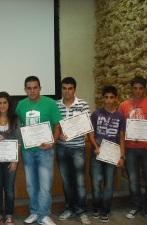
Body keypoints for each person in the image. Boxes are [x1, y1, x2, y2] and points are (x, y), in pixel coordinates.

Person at [16, 76, 62, 225]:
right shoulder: (20, 105)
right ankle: (34, 212)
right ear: (25, 89)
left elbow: (57, 125)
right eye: (29, 88)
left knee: (44, 185)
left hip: (45, 151)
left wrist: (52, 143)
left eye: (35, 87)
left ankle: (44, 215)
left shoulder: (50, 103)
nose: (32, 91)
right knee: (31, 184)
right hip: (27, 151)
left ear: (40, 88)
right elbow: (15, 125)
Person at [118, 76, 147, 222]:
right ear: (131, 89)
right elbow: (121, 128)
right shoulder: (124, 105)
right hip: (130, 148)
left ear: (144, 89)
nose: (138, 91)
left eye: (140, 88)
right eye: (135, 88)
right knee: (134, 180)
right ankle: (136, 207)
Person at [55, 77, 91, 225]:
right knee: (66, 181)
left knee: (80, 182)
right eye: (64, 88)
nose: (67, 91)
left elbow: (85, 126)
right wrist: (58, 137)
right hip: (62, 148)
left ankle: (81, 211)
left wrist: (71, 132)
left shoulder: (83, 104)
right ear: (61, 89)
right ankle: (69, 208)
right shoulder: (55, 105)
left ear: (74, 90)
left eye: (70, 88)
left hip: (78, 149)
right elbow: (54, 125)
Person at [87, 85, 125, 223]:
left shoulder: (120, 116)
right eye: (106, 97)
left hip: (112, 156)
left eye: (112, 97)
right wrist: (96, 146)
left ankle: (105, 210)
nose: (109, 100)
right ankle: (96, 207)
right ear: (103, 98)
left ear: (116, 99)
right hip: (97, 154)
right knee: (96, 182)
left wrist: (122, 156)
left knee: (108, 184)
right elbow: (90, 134)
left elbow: (121, 137)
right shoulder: (96, 114)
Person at [0, 92, 21, 225]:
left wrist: (15, 160)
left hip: (10, 160)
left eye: (4, 102)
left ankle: (9, 215)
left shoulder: (15, 119)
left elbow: (18, 140)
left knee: (10, 189)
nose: (2, 105)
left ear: (9, 104)